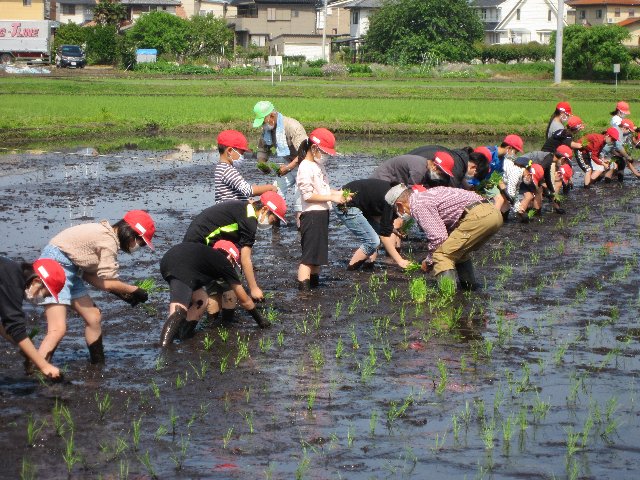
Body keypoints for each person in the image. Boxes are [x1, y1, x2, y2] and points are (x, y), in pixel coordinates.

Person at [37, 210, 155, 364]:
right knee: (57, 329)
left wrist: (121, 294)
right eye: (142, 243)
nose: (140, 247)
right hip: (54, 266)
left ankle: (98, 363)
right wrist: (134, 290)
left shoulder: (106, 235)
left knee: (94, 317)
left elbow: (90, 276)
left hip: (71, 269)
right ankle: (37, 370)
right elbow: (109, 281)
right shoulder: (108, 242)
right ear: (132, 234)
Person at [385, 184, 503, 292]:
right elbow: (447, 233)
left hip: (478, 216)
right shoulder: (428, 195)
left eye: (396, 210)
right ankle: (470, 289)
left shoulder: (418, 205)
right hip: (493, 213)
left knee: (441, 255)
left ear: (399, 204)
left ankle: (447, 298)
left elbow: (439, 238)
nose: (398, 213)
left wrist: (429, 261)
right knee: (457, 252)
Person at [183, 191, 287, 307]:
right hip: (200, 245)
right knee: (231, 282)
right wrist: (254, 288)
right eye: (274, 219)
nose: (273, 224)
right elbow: (246, 259)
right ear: (264, 209)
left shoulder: (244, 207)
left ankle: (213, 323)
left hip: (194, 244)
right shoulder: (249, 221)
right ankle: (228, 322)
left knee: (214, 287)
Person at [159, 240, 269, 347]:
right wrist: (261, 321)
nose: (233, 267)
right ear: (231, 257)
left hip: (169, 261)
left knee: (201, 300)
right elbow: (245, 300)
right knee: (179, 312)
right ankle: (164, 348)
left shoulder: (209, 257)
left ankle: (182, 335)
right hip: (180, 268)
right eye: (234, 263)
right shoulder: (225, 263)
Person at [296, 128, 351, 291]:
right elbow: (308, 196)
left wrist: (338, 193)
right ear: (313, 148)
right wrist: (332, 198)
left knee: (317, 257)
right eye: (324, 152)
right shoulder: (305, 167)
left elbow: (323, 190)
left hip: (321, 214)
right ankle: (304, 294)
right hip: (311, 215)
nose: (325, 156)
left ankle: (314, 288)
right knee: (308, 258)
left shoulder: (316, 166)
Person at [0, 257, 65, 378]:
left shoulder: (11, 270)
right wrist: (44, 366)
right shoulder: (12, 281)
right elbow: (15, 326)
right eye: (45, 294)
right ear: (36, 282)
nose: (42, 299)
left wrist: (24, 347)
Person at [333, 178, 408, 270]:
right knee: (372, 241)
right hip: (345, 202)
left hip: (362, 204)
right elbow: (384, 236)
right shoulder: (390, 201)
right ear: (400, 204)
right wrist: (400, 260)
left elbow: (385, 227)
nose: (405, 214)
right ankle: (351, 271)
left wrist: (393, 229)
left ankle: (368, 266)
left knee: (375, 236)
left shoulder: (399, 195)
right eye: (406, 211)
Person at [253, 101, 307, 223]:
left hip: (304, 164)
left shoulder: (292, 126)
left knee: (299, 197)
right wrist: (262, 164)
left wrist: (288, 167)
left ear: (271, 116)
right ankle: (275, 224)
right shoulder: (268, 130)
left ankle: (301, 228)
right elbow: (262, 149)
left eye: (263, 121)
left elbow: (304, 152)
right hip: (288, 162)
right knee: (276, 189)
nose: (262, 125)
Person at [214, 130, 277, 204]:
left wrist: (247, 201)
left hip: (226, 208)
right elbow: (248, 191)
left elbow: (233, 194)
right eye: (241, 153)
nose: (242, 156)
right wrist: (270, 187)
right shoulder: (228, 170)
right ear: (230, 151)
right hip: (231, 212)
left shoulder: (220, 168)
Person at [407, 145, 490, 189]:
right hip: (409, 174)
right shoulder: (457, 167)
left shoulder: (460, 156)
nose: (471, 178)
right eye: (474, 176)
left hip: (409, 160)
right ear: (474, 168)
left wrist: (465, 185)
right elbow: (450, 191)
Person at [481, 135, 524, 212]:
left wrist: (507, 195)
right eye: (515, 152)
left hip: (486, 182)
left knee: (500, 199)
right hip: (476, 180)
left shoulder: (502, 159)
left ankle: (495, 219)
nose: (515, 155)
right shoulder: (489, 153)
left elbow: (498, 177)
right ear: (509, 148)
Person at [370, 151, 455, 188]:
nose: (440, 176)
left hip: (392, 182)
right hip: (381, 181)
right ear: (434, 166)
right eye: (441, 173)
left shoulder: (423, 164)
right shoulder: (419, 170)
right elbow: (412, 192)